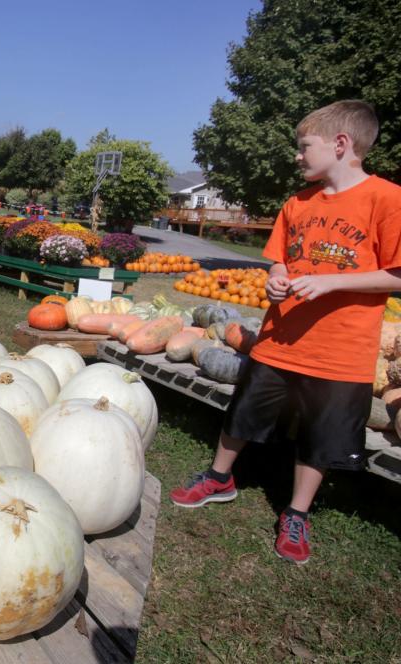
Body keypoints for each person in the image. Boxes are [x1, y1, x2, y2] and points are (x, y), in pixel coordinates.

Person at [169, 100, 401, 565]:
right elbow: (280, 256)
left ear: (340, 144)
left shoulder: (387, 199)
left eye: (304, 147)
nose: (297, 157)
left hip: (341, 353)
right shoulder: (297, 203)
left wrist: (332, 281)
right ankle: (219, 478)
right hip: (278, 342)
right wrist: (277, 276)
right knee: (242, 414)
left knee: (320, 435)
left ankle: (296, 512)